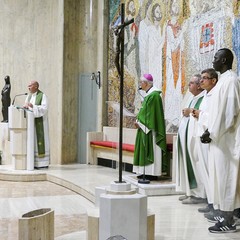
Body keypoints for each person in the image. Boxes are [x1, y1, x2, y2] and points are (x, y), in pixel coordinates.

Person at [202, 48, 240, 233]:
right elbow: (216, 112)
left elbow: (230, 113)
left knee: (227, 179)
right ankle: (225, 214)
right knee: (220, 178)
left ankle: (228, 221)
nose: (213, 60)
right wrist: (209, 130)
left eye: (216, 57)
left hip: (226, 140)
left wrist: (213, 132)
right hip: (218, 139)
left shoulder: (231, 80)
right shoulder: (223, 81)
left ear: (224, 60)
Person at [191, 68, 218, 213]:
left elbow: (214, 116)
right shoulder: (206, 95)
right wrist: (198, 114)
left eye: (205, 78)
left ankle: (215, 204)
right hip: (201, 135)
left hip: (209, 138)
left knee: (211, 172)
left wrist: (199, 114)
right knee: (204, 171)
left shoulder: (215, 95)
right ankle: (210, 201)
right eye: (201, 78)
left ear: (213, 81)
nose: (201, 81)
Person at [175, 74, 206, 204]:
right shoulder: (193, 98)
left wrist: (190, 111)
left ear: (199, 85)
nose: (189, 85)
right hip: (185, 139)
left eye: (192, 83)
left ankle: (198, 195)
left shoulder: (204, 98)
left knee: (196, 165)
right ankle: (190, 192)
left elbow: (204, 115)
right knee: (188, 164)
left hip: (195, 140)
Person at [133, 73, 167, 181]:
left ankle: (151, 173)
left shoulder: (154, 95)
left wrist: (140, 122)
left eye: (141, 82)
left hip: (150, 130)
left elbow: (152, 115)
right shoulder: (149, 95)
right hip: (143, 128)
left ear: (146, 83)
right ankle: (144, 172)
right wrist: (138, 120)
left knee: (150, 149)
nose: (140, 84)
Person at [23, 81, 50, 168]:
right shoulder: (29, 96)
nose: (28, 87)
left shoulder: (42, 96)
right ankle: (32, 163)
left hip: (40, 123)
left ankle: (42, 164)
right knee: (32, 142)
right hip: (31, 124)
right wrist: (26, 106)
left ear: (36, 86)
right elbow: (26, 105)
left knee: (39, 142)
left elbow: (44, 109)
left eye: (30, 85)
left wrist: (33, 106)